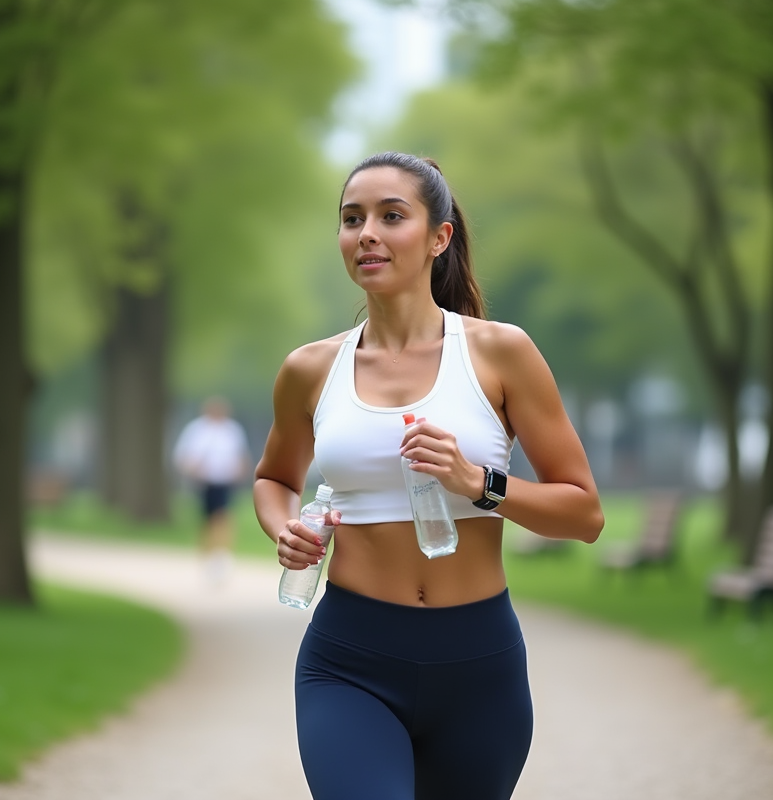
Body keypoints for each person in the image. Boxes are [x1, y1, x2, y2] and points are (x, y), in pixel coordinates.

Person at [253, 152, 604, 800]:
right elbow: (274, 477)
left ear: (439, 238)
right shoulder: (309, 368)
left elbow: (584, 514)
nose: (367, 234)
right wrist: (284, 527)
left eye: (392, 216)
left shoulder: (501, 352)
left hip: (479, 666)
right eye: (351, 218)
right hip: (349, 661)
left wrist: (480, 484)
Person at [173, 396, 251, 585]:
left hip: (224, 482)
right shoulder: (197, 430)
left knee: (223, 517)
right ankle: (206, 555)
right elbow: (183, 457)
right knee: (206, 520)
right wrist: (193, 469)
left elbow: (241, 455)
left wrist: (241, 471)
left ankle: (222, 556)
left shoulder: (232, 430)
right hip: (203, 482)